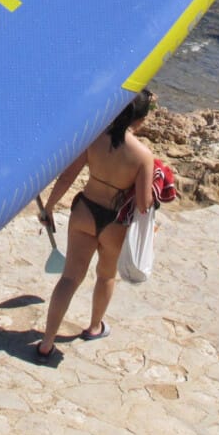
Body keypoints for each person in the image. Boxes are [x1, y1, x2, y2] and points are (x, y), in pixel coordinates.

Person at [33, 91, 156, 363]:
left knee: (69, 278)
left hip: (85, 212)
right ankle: (94, 327)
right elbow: (144, 204)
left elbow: (67, 177)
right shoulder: (144, 156)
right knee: (106, 276)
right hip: (114, 223)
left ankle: (46, 343)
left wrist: (49, 207)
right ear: (141, 120)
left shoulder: (95, 137)